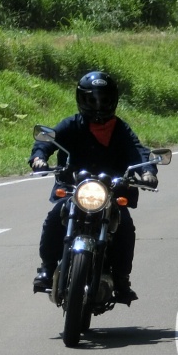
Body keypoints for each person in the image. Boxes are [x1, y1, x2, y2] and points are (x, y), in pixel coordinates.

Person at [29, 71, 157, 304]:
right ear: (81, 99)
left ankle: (121, 279)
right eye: (92, 99)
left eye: (104, 99)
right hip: (74, 189)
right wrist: (39, 158)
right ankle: (47, 269)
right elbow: (47, 141)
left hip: (111, 193)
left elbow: (138, 151)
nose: (98, 105)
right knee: (55, 216)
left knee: (124, 226)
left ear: (113, 100)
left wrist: (148, 171)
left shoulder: (121, 129)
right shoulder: (71, 125)